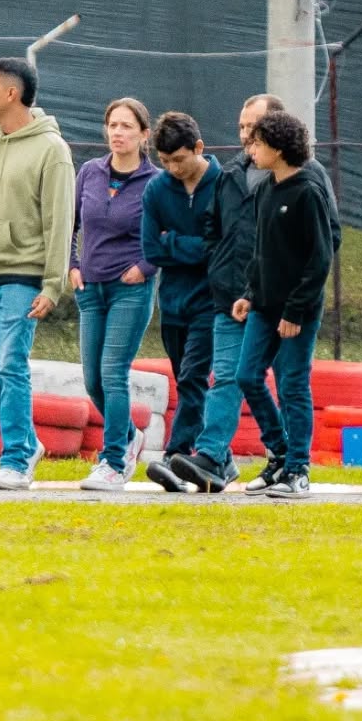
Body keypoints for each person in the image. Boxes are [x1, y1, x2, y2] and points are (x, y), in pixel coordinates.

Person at [177, 108, 339, 499]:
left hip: (295, 312)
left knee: (293, 384)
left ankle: (298, 470)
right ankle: (280, 452)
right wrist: (250, 295)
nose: (250, 149)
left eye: (258, 143)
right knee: (247, 376)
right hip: (263, 307)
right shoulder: (265, 189)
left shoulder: (308, 191)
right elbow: (262, 253)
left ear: (280, 148)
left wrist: (295, 311)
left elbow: (318, 260)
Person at [0, 57, 74, 491]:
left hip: (25, 278)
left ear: (12, 94)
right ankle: (27, 441)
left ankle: (17, 460)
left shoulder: (52, 151)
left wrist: (53, 284)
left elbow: (60, 222)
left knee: (11, 365)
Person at [157, 93, 280, 493]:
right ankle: (211, 458)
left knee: (286, 383)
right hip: (229, 299)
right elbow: (214, 229)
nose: (245, 135)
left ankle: (288, 457)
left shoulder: (301, 176)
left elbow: (324, 240)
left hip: (281, 301)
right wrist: (220, 269)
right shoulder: (231, 177)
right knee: (226, 376)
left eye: (254, 127)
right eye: (242, 126)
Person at [68, 97, 156, 491]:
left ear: (144, 134)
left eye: (126, 126)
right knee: (92, 380)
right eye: (113, 125)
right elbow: (67, 224)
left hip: (130, 290)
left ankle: (112, 463)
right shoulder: (89, 172)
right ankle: (129, 437)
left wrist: (145, 267)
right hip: (90, 288)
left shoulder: (156, 182)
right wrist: (71, 265)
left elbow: (170, 234)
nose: (117, 133)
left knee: (112, 373)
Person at [140, 111, 220, 478]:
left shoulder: (223, 185)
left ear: (198, 148)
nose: (172, 168)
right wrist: (194, 247)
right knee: (185, 378)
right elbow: (151, 250)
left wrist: (174, 241)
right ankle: (219, 459)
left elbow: (222, 247)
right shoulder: (156, 190)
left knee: (192, 376)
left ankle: (176, 453)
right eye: (165, 161)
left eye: (179, 160)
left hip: (212, 299)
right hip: (172, 302)